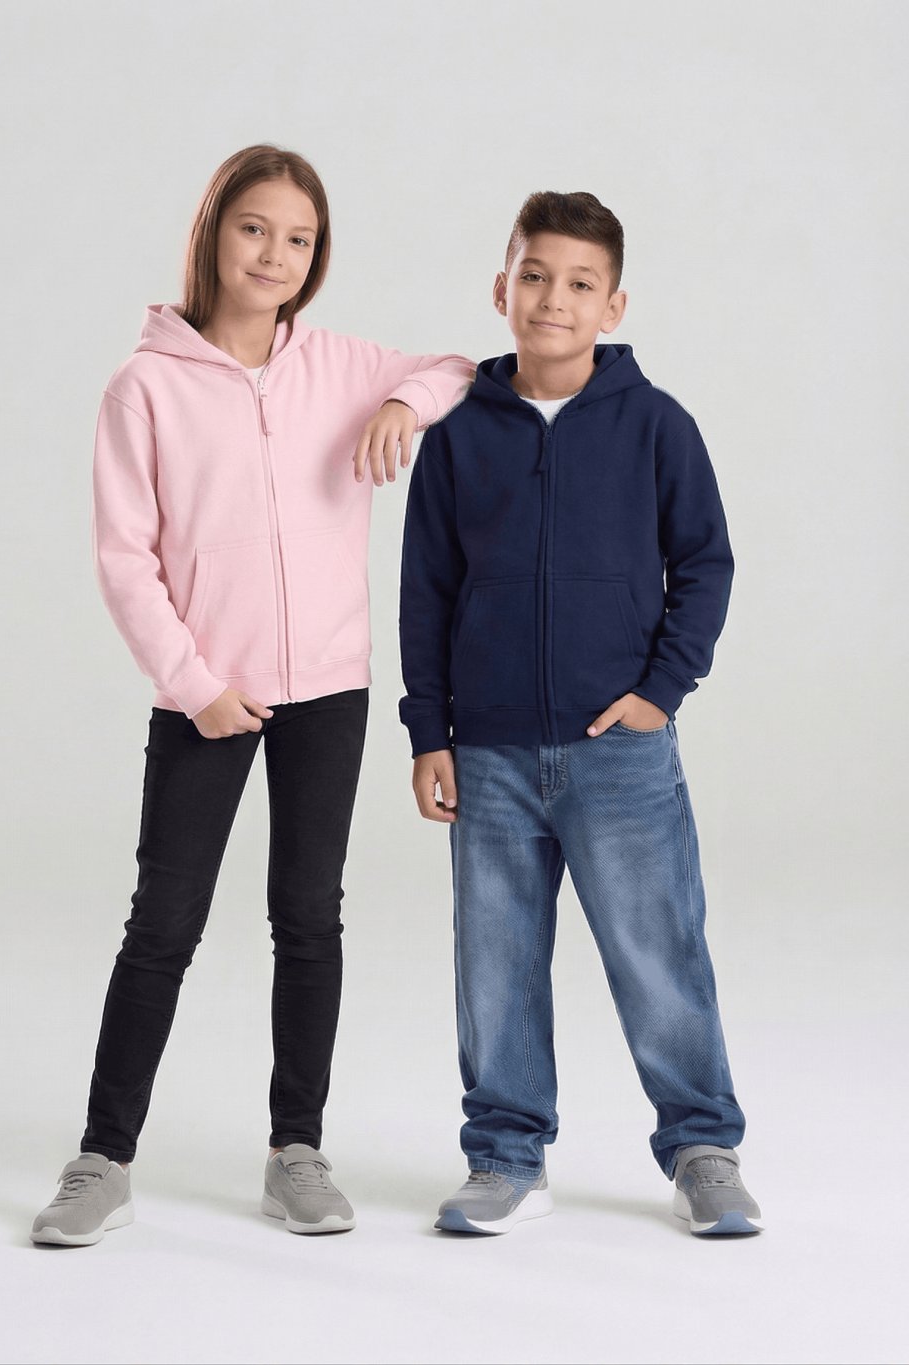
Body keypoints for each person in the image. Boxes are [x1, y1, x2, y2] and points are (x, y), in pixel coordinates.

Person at [30, 144, 473, 1245]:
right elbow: (126, 559)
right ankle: (101, 1159)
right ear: (213, 233)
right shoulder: (145, 385)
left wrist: (402, 401)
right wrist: (193, 683)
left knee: (308, 919)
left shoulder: (336, 364)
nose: (275, 254)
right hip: (206, 694)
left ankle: (296, 1151)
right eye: (255, 228)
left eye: (299, 238)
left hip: (329, 686)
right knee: (162, 924)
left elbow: (460, 367)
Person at [398, 190, 762, 1238]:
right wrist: (431, 731)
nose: (552, 299)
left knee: (659, 952)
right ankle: (505, 1156)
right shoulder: (458, 432)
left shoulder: (655, 424)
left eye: (579, 283)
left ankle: (702, 1147)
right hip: (490, 751)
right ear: (501, 286)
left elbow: (704, 564)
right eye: (534, 275)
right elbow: (426, 589)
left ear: (613, 305)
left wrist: (661, 691)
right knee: (496, 963)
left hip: (620, 753)